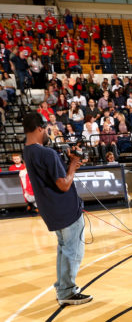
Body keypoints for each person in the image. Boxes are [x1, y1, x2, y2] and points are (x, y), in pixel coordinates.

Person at [22, 112, 93, 306]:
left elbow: (49, 172)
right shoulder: (47, 153)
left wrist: (66, 161)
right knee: (73, 251)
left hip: (50, 209)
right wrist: (72, 165)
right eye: (46, 130)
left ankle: (63, 287)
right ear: (39, 129)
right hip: (65, 209)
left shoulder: (28, 151)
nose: (47, 133)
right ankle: (67, 292)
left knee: (64, 249)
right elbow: (63, 184)